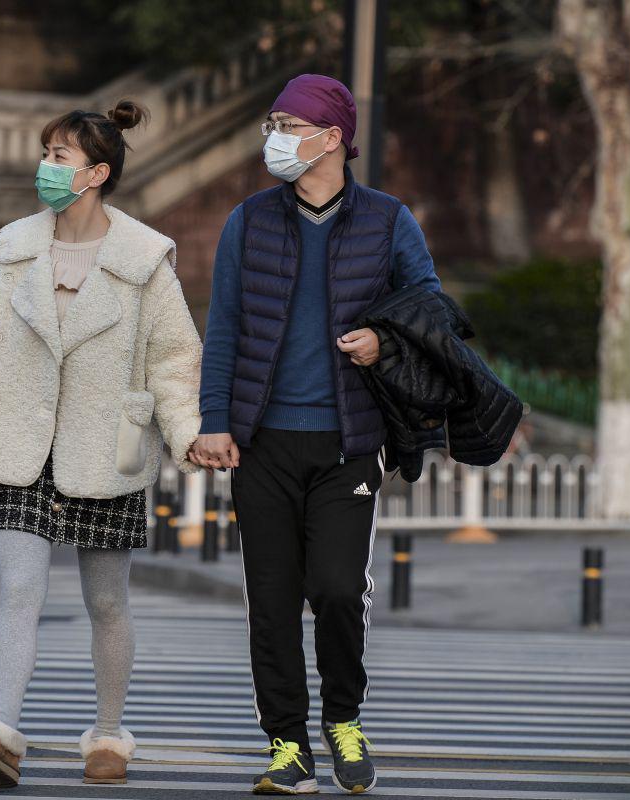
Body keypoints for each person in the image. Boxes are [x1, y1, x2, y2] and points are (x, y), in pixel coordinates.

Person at [189, 74, 442, 795]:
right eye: (273, 121)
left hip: (347, 443)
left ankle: (344, 720)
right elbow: (227, 327)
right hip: (263, 442)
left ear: (333, 138)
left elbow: (429, 313)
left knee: (334, 588)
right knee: (269, 600)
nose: (276, 136)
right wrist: (215, 422)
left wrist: (383, 345)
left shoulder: (390, 220)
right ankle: (287, 746)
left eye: (290, 124)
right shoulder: (250, 219)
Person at [0, 99, 202, 789]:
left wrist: (187, 437)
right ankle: (0, 731)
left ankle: (109, 735)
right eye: (47, 153)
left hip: (102, 451)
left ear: (96, 173)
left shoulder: (144, 261)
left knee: (107, 602)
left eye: (60, 157)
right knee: (18, 588)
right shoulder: (11, 247)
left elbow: (175, 359)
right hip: (19, 445)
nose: (46, 167)